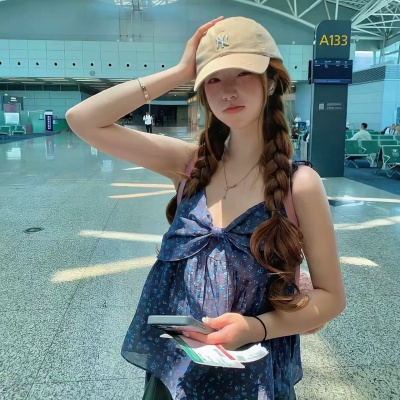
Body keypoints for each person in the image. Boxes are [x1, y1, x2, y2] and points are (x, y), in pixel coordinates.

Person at [66, 16, 345, 400]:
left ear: (271, 81)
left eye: (243, 73)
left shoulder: (300, 185)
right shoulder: (191, 164)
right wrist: (181, 71)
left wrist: (255, 328)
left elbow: (332, 297)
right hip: (176, 374)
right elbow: (83, 120)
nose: (228, 91)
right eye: (213, 79)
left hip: (253, 380)